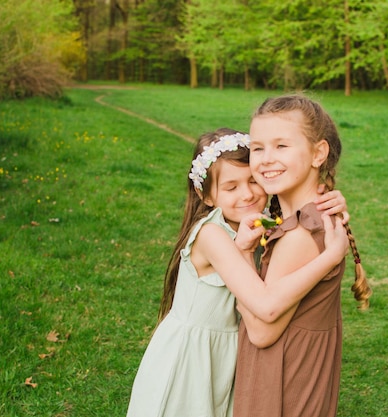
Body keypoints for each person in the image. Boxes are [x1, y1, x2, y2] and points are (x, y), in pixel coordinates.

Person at [126, 128, 350, 417]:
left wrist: (327, 200)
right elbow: (265, 304)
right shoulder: (212, 235)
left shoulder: (264, 224)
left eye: (253, 181)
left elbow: (300, 210)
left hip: (227, 352)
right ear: (205, 195)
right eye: (231, 188)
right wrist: (331, 256)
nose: (247, 194)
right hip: (192, 358)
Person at [233, 94, 372, 417]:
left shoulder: (300, 236)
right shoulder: (302, 218)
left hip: (282, 378)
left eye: (282, 146)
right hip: (298, 370)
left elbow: (262, 331)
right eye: (258, 148)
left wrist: (240, 258)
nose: (266, 159)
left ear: (318, 153)